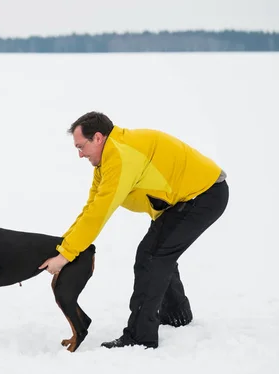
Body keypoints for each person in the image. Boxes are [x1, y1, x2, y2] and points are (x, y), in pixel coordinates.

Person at [39, 111, 229, 349]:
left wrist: (66, 254)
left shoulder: (120, 157)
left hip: (204, 195)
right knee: (159, 251)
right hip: (185, 199)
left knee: (151, 256)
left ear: (98, 138)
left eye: (81, 146)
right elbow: (91, 208)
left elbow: (99, 214)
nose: (80, 154)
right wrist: (64, 246)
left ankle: (141, 336)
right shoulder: (109, 157)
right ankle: (177, 314)